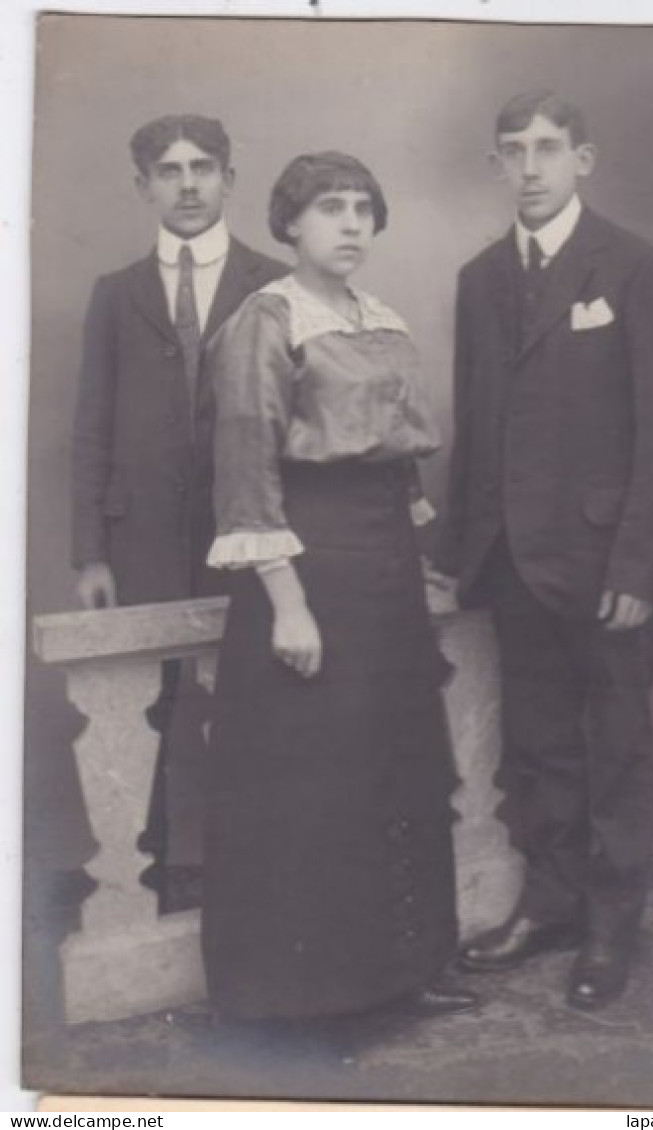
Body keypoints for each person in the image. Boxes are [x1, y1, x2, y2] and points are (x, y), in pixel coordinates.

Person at [201, 151, 475, 1022]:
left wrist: (415, 558)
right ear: (289, 223)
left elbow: (395, 461)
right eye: (329, 208)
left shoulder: (379, 320)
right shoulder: (266, 320)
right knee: (318, 782)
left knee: (398, 765)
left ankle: (408, 969)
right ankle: (314, 997)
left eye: (362, 207)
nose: (351, 223)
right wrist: (287, 604)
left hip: (385, 569)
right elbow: (246, 474)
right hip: (310, 569)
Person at [434, 91, 653, 1009]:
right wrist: (465, 550)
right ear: (495, 164)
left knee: (614, 745)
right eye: (513, 149)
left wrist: (635, 569)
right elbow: (476, 423)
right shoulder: (478, 278)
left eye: (548, 148)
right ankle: (549, 904)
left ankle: (610, 929)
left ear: (584, 159)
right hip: (511, 559)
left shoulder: (634, 269)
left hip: (601, 566)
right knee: (537, 747)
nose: (530, 166)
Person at [71, 115, 286, 908]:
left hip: (244, 529)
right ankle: (167, 873)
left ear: (229, 178)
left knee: (248, 693)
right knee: (155, 702)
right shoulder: (117, 295)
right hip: (146, 539)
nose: (188, 184)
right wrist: (91, 552)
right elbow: (92, 425)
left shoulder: (271, 282)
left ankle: (253, 868)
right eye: (169, 170)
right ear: (144, 186)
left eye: (203, 168)